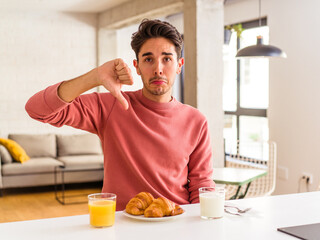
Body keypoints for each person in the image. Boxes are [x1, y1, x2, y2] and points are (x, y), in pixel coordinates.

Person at [25, 19, 215, 210]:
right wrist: (95, 76)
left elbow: (202, 185)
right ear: (137, 66)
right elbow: (36, 109)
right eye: (148, 59)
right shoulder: (111, 105)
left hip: (176, 220)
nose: (158, 69)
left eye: (167, 59)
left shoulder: (196, 121)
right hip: (120, 224)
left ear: (179, 65)